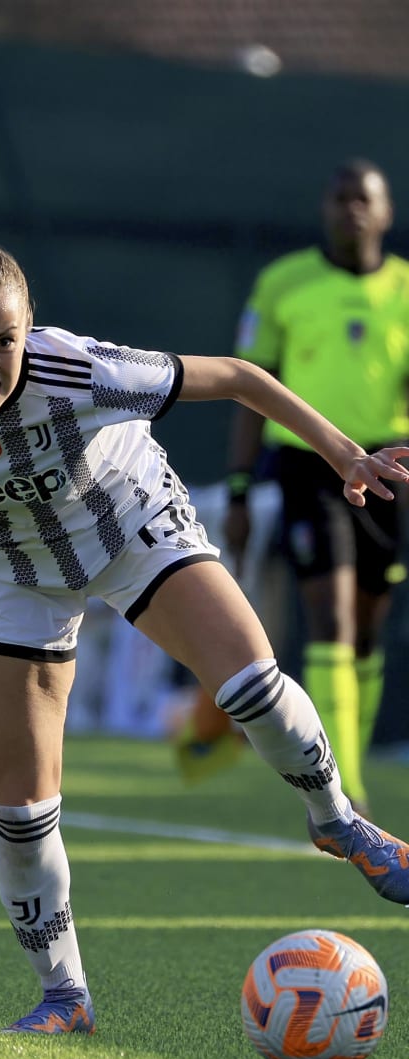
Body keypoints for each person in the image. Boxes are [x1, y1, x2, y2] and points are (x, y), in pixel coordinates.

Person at [0, 75, 409, 1036]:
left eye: (4, 342)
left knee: (254, 685)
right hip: (9, 574)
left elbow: (238, 377)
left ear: (31, 330)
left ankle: (336, 818)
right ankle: (65, 996)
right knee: (21, 810)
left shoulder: (78, 370)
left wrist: (345, 452)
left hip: (132, 528)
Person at [221, 159, 409, 818]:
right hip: (310, 465)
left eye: (364, 199)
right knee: (329, 617)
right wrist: (240, 491)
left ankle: (348, 761)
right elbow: (248, 392)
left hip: (390, 467)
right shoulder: (283, 283)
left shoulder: (407, 290)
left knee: (366, 631)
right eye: (340, 197)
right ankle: (345, 786)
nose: (351, 208)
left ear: (385, 212)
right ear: (324, 208)